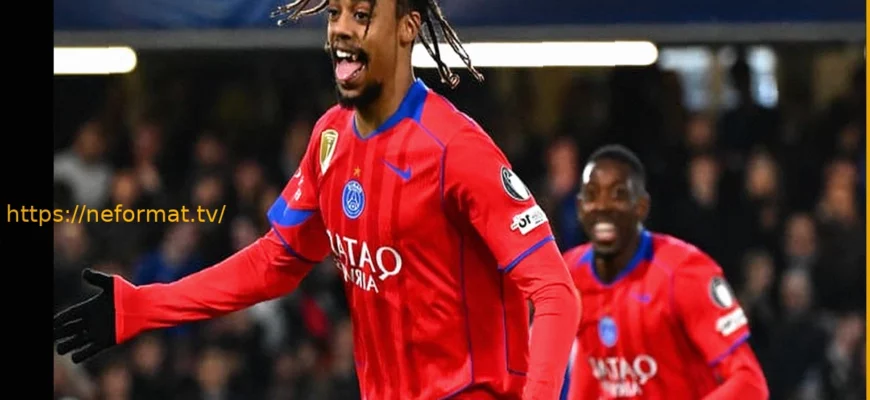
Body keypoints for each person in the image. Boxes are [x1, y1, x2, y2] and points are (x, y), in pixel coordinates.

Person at [52, 0, 582, 399]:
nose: (341, 28)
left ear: (407, 27)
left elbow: (556, 292)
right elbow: (274, 262)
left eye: (362, 14)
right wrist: (145, 305)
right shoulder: (330, 137)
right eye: (334, 13)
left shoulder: (455, 149)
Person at [559, 144, 768, 399]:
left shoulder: (685, 272)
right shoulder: (569, 274)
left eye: (618, 195)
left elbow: (749, 382)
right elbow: (591, 365)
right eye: (592, 195)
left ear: (641, 207)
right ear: (580, 207)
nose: (603, 207)